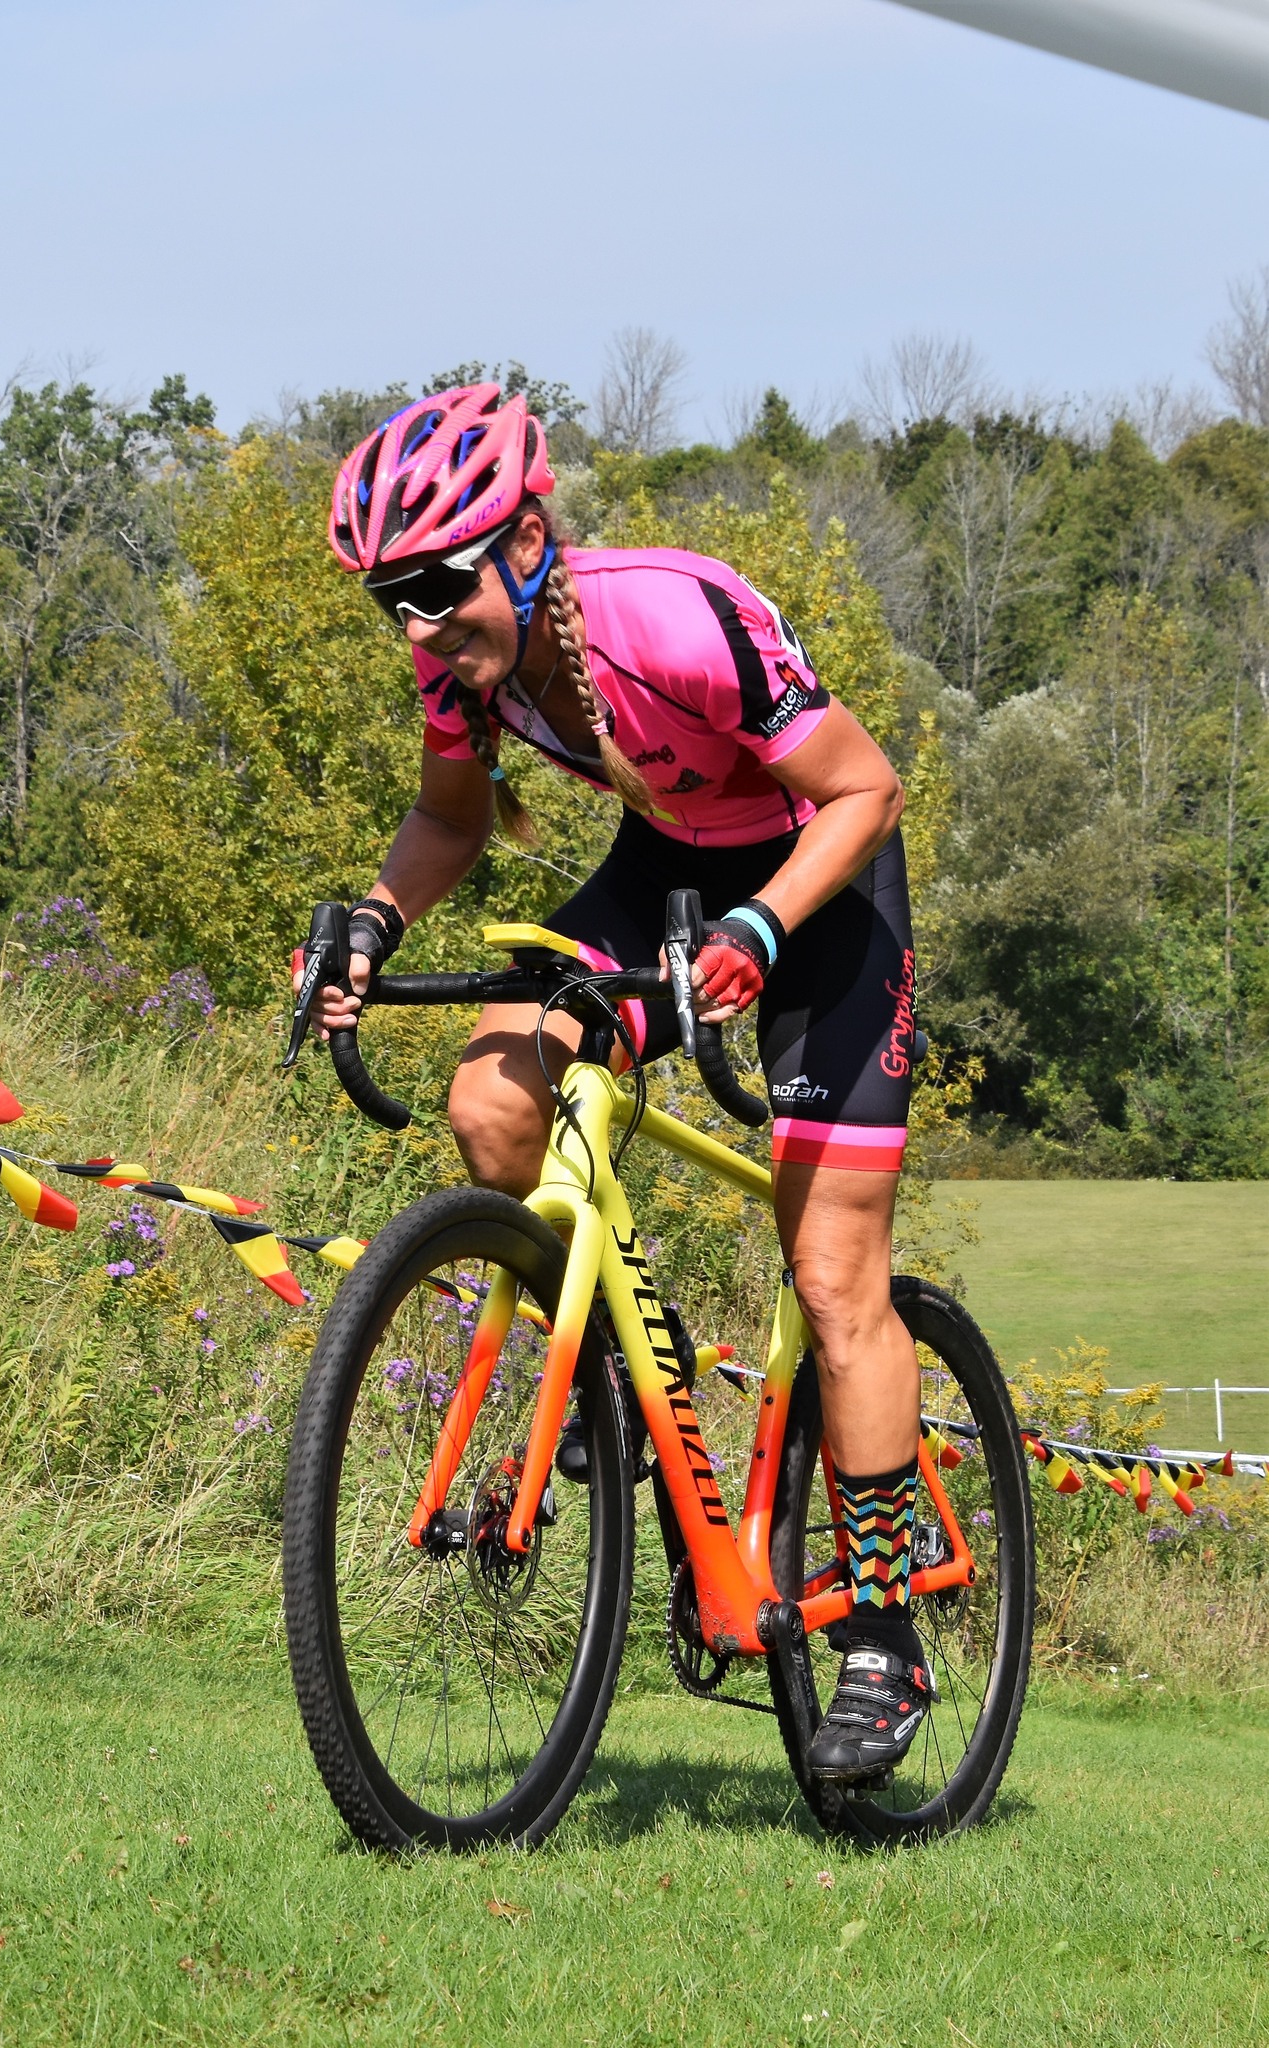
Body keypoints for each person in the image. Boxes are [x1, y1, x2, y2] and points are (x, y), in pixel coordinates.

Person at [306, 382, 934, 1781]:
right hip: (664, 876)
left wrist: (761, 928)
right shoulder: (462, 663)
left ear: (525, 542)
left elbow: (868, 790)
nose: (416, 627)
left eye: (435, 587)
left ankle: (885, 1638)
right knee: (492, 1102)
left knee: (835, 1277)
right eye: (391, 600)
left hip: (820, 885)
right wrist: (373, 924)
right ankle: (613, 1383)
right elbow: (450, 816)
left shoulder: (673, 618)